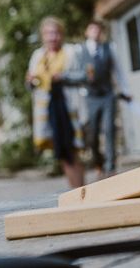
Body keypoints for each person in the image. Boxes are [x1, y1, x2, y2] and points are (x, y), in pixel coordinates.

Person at [26, 16, 84, 188]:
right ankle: (75, 191)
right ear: (43, 36)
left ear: (61, 34)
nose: (52, 37)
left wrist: (63, 76)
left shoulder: (71, 52)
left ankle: (82, 190)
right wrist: (29, 81)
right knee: (62, 150)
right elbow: (31, 84)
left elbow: (84, 76)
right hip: (49, 109)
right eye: (49, 33)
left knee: (73, 148)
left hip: (69, 106)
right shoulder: (38, 56)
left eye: (56, 33)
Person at [75, 20, 132, 177]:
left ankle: (111, 166)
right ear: (87, 32)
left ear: (101, 33)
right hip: (90, 97)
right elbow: (75, 73)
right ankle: (98, 162)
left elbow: (118, 71)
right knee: (92, 134)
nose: (95, 32)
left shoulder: (109, 48)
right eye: (92, 28)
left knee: (109, 129)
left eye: (98, 29)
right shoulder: (79, 50)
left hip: (107, 95)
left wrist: (126, 90)